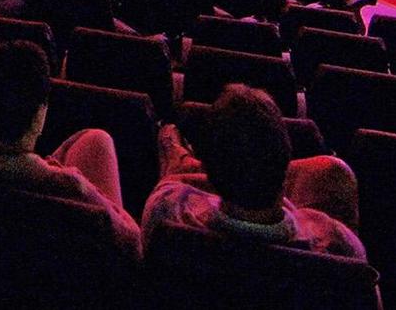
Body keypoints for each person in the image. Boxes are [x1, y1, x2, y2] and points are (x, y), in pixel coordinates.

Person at [0, 40, 141, 256]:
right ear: (39, 115)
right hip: (51, 270)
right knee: (98, 143)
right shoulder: (71, 188)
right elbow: (133, 243)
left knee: (95, 139)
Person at [142, 84, 364, 258]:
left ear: (209, 174)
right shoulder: (339, 245)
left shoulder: (165, 212)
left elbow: (175, 180)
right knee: (333, 170)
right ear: (285, 165)